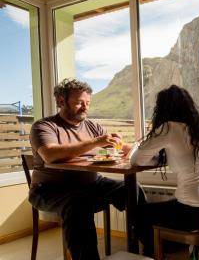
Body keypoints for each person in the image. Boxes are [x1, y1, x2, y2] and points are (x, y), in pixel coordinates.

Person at [28, 78, 141, 260]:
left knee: (131, 189)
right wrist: (96, 142)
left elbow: (114, 147)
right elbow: (49, 155)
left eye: (87, 103)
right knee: (78, 202)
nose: (85, 107)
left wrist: (134, 148)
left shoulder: (92, 126)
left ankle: (149, 246)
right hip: (49, 190)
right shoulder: (44, 126)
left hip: (91, 184)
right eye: (79, 103)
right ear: (61, 101)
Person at [129, 85, 199, 257]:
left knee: (139, 213)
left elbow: (136, 160)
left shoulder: (170, 127)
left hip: (195, 213)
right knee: (166, 207)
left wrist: (137, 146)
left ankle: (155, 254)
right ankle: (176, 251)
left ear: (163, 109)